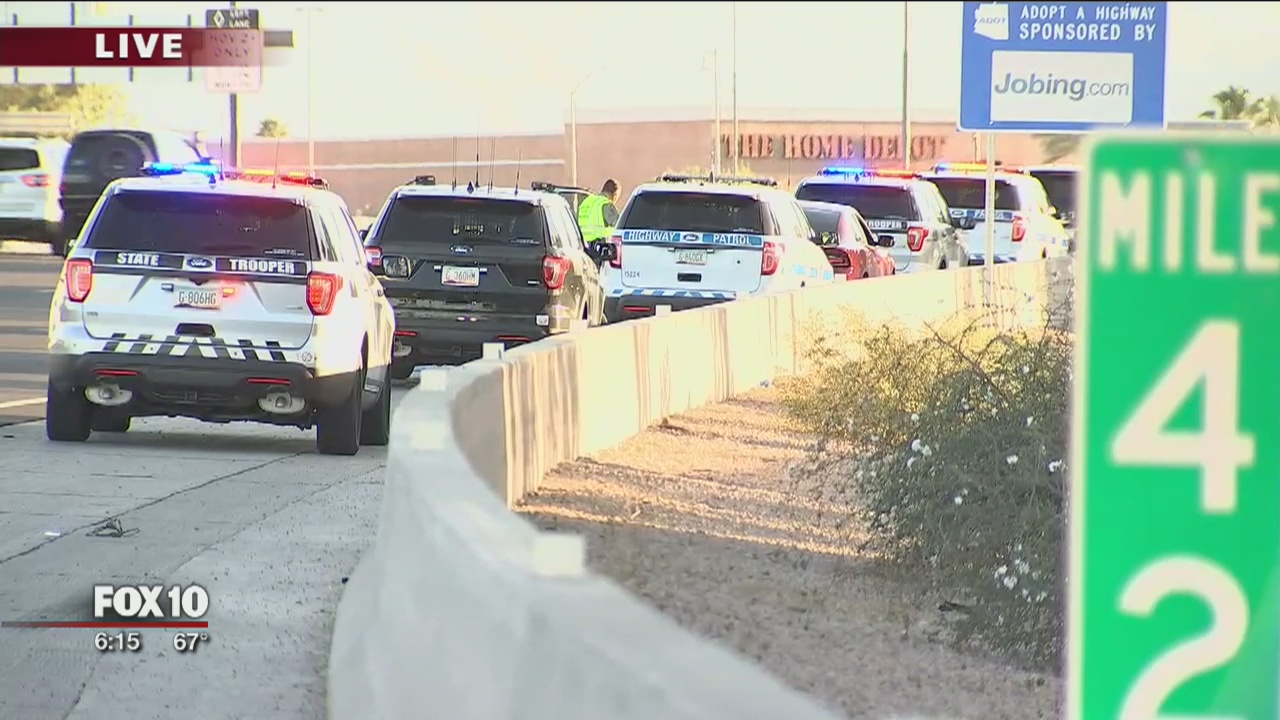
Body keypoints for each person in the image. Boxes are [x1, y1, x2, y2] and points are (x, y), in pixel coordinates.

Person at [576, 178, 622, 245]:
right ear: (614, 195)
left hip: (582, 245)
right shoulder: (606, 204)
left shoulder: (586, 201)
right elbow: (620, 225)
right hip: (599, 248)